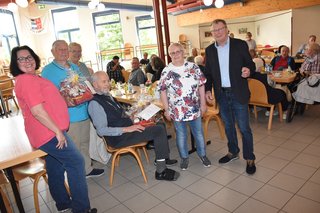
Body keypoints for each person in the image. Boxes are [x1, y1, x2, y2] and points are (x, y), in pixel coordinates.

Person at [10, 45, 96, 213]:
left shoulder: (31, 78)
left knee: (55, 164)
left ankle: (63, 203)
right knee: (76, 162)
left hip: (47, 131)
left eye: (29, 57)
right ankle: (81, 209)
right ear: (15, 63)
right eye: (21, 58)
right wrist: (57, 131)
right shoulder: (26, 80)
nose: (27, 61)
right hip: (48, 133)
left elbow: (46, 102)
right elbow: (37, 111)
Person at [88, 71, 179, 181]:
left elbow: (118, 115)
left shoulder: (107, 96)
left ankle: (163, 158)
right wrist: (128, 128)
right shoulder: (95, 103)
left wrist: (133, 116)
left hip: (127, 130)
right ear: (95, 84)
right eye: (104, 81)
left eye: (108, 81)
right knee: (158, 131)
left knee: (159, 123)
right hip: (119, 138)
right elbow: (101, 131)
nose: (107, 84)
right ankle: (161, 171)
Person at [42, 40, 104, 178]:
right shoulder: (48, 71)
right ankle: (76, 174)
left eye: (65, 49)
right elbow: (47, 95)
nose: (63, 52)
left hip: (83, 112)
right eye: (60, 49)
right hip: (68, 117)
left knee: (84, 144)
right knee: (74, 147)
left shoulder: (74, 67)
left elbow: (83, 85)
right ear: (53, 52)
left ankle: (86, 169)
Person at [204, 19, 256, 175]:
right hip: (221, 94)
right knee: (228, 126)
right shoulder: (209, 50)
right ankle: (233, 152)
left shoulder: (239, 44)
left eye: (221, 29)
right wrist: (207, 90)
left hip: (238, 92)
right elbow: (208, 73)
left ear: (226, 29)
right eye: (215, 30)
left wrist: (248, 70)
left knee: (244, 127)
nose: (218, 32)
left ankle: (249, 157)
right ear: (212, 33)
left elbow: (251, 65)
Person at [159, 42, 211, 170]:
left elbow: (202, 85)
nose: (176, 54)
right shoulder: (166, 71)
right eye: (172, 53)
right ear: (169, 55)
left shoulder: (193, 67)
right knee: (181, 135)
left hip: (194, 108)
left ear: (183, 52)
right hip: (177, 110)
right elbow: (163, 91)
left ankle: (203, 155)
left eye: (178, 51)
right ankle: (184, 157)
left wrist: (203, 103)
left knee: (198, 133)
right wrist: (166, 110)